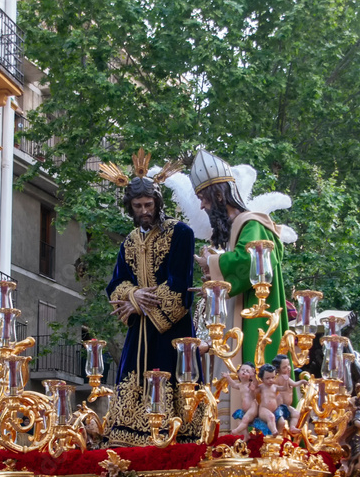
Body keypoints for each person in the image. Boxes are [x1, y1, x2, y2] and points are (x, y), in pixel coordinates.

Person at [103, 151, 196, 446]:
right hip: (137, 335)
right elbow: (115, 284)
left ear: (157, 202)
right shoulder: (129, 241)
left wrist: (138, 303)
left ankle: (176, 435)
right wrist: (131, 294)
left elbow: (179, 284)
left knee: (172, 382)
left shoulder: (180, 233)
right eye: (138, 206)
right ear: (130, 208)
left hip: (170, 331)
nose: (144, 210)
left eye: (148, 204)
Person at [192, 149, 288, 371]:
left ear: (217, 196)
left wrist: (212, 263)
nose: (201, 206)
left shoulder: (252, 224)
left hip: (256, 317)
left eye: (202, 199)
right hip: (239, 313)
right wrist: (211, 281)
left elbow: (249, 262)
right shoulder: (238, 228)